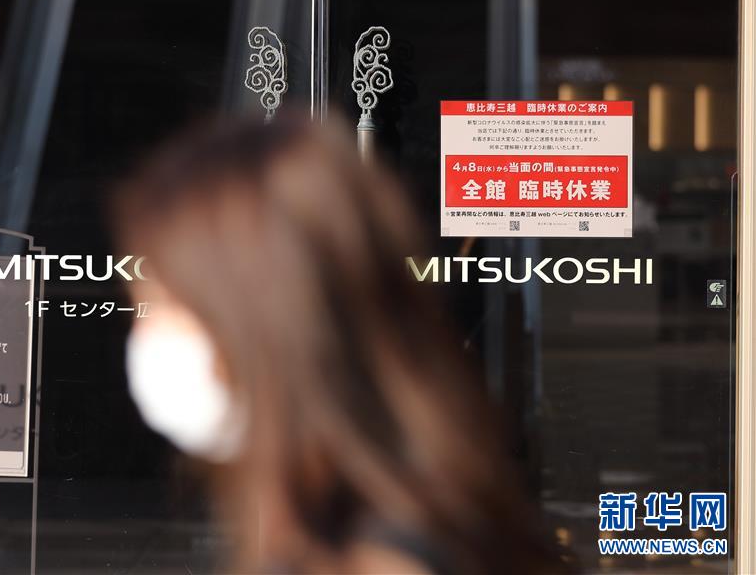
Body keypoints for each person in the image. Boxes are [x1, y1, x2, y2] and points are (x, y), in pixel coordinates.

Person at [114, 113, 562, 574]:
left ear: (253, 316)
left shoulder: (372, 559)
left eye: (163, 306)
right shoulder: (396, 520)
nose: (146, 336)